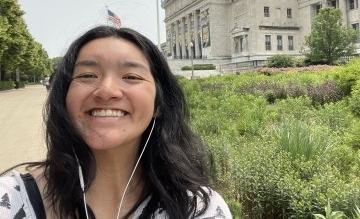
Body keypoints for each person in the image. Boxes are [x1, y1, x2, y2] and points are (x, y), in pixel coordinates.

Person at [0, 26, 232, 219]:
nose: (106, 90)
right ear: (64, 97)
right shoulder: (10, 200)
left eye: (131, 77)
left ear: (159, 105)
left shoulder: (199, 208)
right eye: (87, 75)